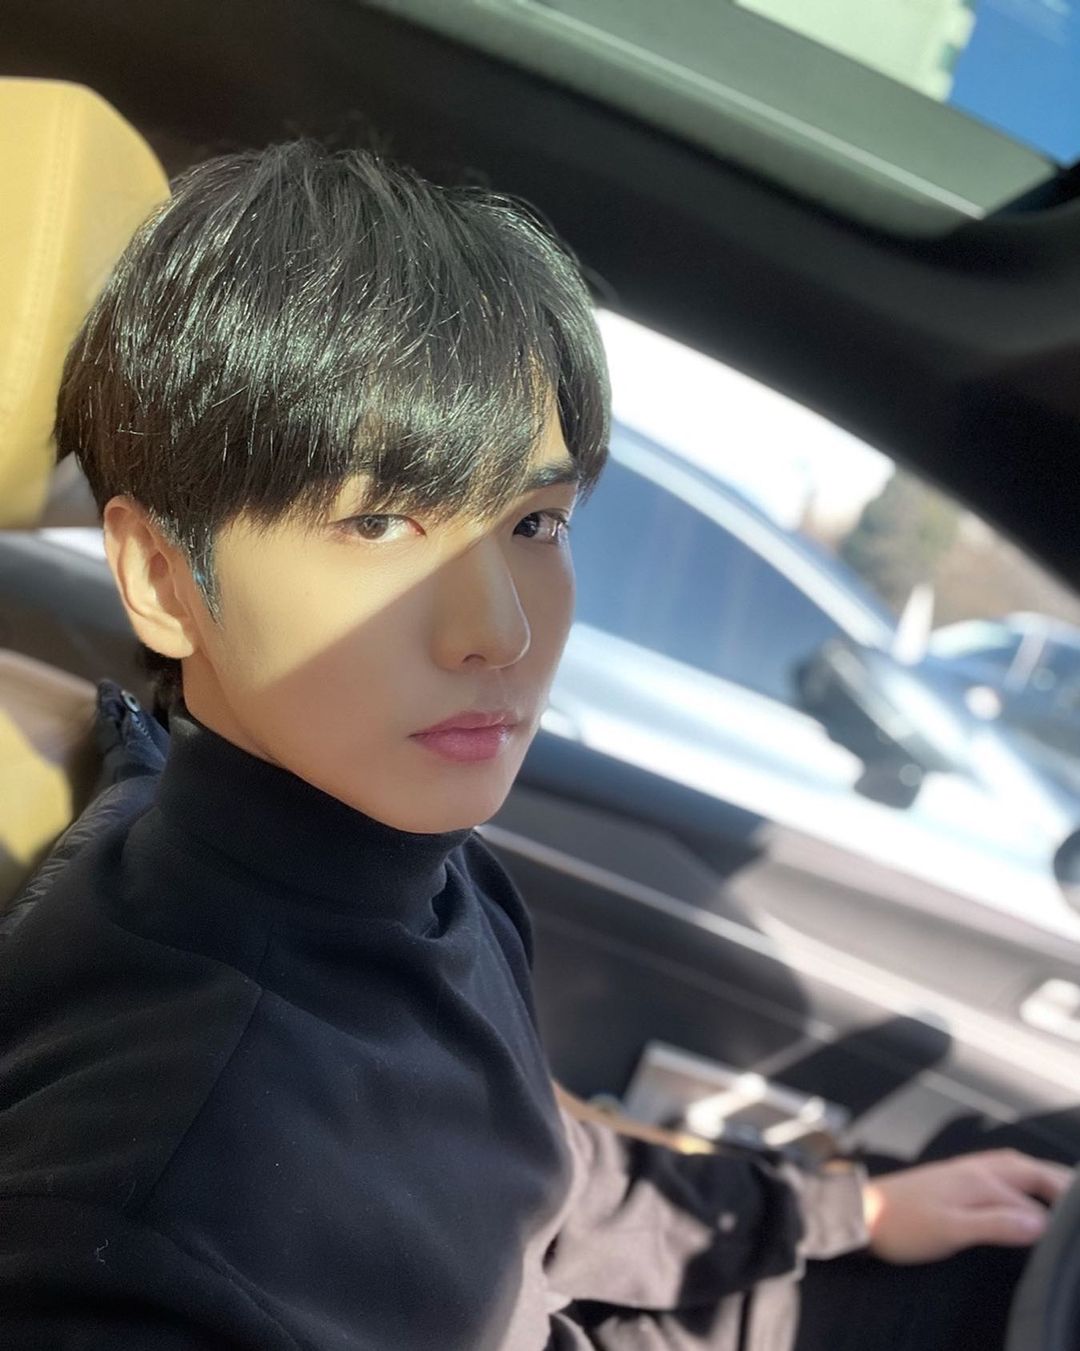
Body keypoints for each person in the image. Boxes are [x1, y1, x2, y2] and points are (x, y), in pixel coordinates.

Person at [0, 141, 1070, 1351]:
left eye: (536, 521)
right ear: (160, 575)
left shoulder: (421, 871)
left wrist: (845, 1210)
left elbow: (539, 1173)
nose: (501, 631)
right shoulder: (152, 1202)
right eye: (380, 520)